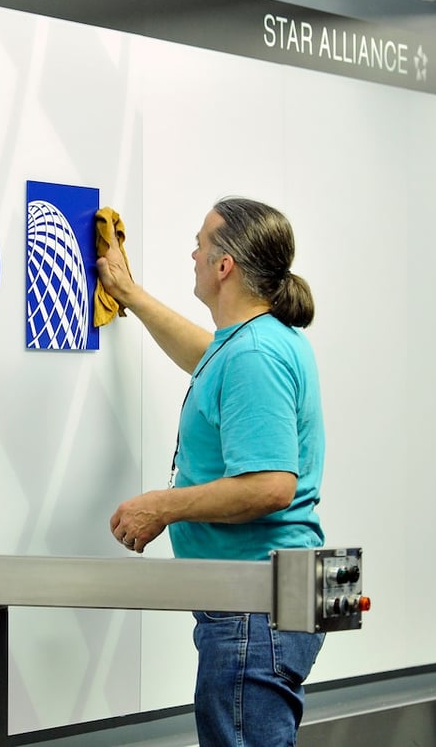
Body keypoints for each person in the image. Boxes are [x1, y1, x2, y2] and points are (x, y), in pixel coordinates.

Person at [96, 197, 325, 747]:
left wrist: (162, 506)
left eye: (200, 243)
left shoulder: (254, 354)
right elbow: (206, 356)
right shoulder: (258, 342)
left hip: (253, 607)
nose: (192, 253)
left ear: (225, 266)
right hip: (268, 600)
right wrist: (130, 294)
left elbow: (271, 486)